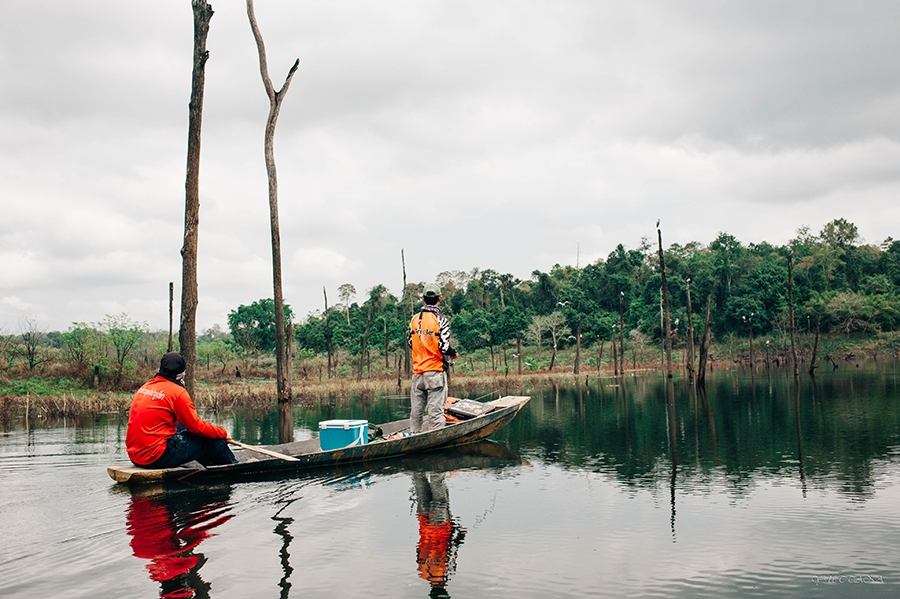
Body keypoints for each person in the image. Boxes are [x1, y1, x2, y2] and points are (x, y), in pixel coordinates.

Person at [126, 352, 237, 468]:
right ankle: (233, 465)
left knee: (183, 427)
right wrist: (223, 433)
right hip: (155, 457)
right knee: (212, 439)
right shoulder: (178, 392)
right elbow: (197, 427)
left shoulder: (146, 386)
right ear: (181, 375)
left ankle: (208, 462)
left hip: (135, 455)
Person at [408, 283, 458, 433]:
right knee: (436, 411)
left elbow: (411, 343)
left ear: (423, 298)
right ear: (439, 298)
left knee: (416, 412)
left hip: (418, 373)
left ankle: (413, 436)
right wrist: (453, 352)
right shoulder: (441, 320)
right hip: (435, 372)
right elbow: (443, 347)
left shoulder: (414, 319)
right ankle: (436, 439)